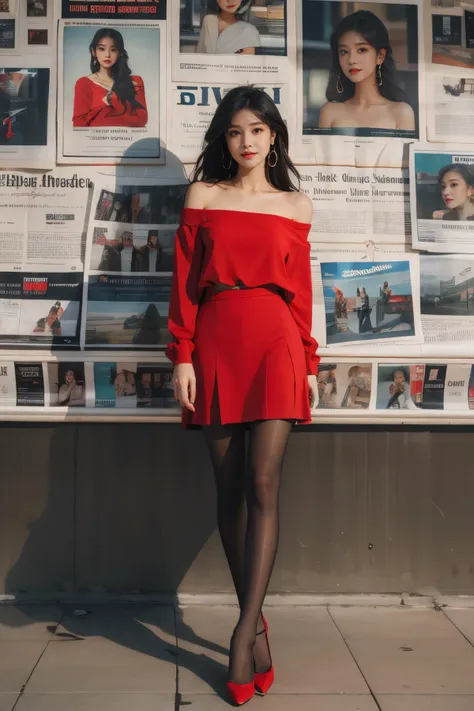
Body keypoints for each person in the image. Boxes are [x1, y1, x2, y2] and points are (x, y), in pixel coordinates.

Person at [165, 85, 319, 705]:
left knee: (262, 485)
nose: (247, 141)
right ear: (223, 140)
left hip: (277, 345)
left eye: (257, 129)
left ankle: (236, 636)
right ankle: (255, 623)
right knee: (228, 490)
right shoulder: (203, 196)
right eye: (235, 131)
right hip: (217, 347)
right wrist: (182, 354)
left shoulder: (297, 205)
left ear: (274, 136)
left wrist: (309, 360)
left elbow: (302, 295)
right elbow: (183, 286)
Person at [319, 10, 415, 131]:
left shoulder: (401, 113)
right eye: (344, 51)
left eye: (362, 50)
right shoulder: (329, 111)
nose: (351, 60)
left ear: (380, 56)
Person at [73, 28, 148, 128]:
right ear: (93, 51)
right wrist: (105, 103)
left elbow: (141, 120)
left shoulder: (135, 82)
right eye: (102, 49)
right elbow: (79, 124)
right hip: (96, 142)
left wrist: (110, 101)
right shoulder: (84, 84)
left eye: (113, 50)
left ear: (119, 53)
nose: (107, 55)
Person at [196, 0, 261, 55]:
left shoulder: (249, 31)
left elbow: (245, 66)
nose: (230, 1)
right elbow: (200, 56)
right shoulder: (209, 20)